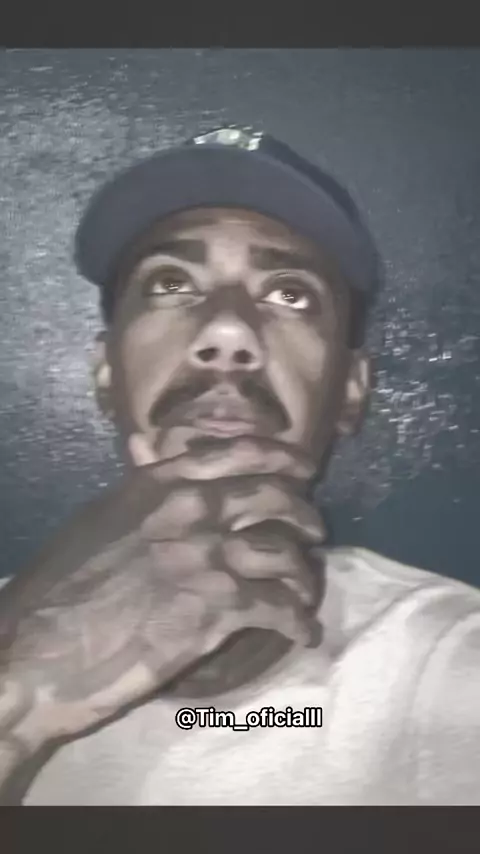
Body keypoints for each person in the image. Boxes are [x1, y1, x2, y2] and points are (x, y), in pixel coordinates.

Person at [0, 126, 479, 806]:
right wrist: (22, 682)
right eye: (171, 283)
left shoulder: (446, 659)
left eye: (290, 294)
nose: (227, 333)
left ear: (350, 390)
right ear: (106, 373)